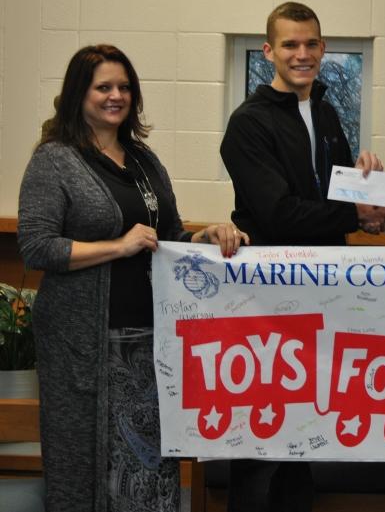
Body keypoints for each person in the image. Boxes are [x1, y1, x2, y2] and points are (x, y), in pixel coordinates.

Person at [17, 44, 247, 512]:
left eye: (124, 87)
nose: (115, 96)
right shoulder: (55, 160)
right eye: (103, 87)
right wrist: (117, 246)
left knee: (147, 465)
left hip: (148, 338)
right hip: (83, 341)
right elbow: (37, 247)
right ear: (79, 94)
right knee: (85, 461)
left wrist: (207, 236)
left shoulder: (143, 160)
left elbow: (168, 235)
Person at [219, 2, 385, 512]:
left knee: (306, 427)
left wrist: (366, 183)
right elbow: (278, 215)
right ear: (268, 51)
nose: (302, 54)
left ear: (323, 48)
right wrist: (357, 214)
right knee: (258, 438)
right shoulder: (248, 124)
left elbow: (330, 196)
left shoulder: (329, 112)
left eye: (311, 43)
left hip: (322, 293)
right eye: (290, 44)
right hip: (266, 300)